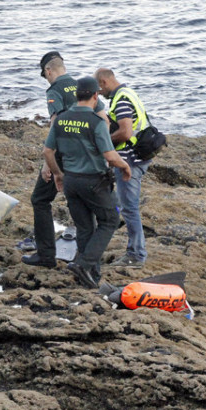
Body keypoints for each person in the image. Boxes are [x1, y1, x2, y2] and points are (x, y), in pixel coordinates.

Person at [22, 52, 109, 267]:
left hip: (63, 155)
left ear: (48, 71)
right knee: (84, 208)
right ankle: (83, 257)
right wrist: (98, 147)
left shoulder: (55, 90)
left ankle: (46, 255)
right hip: (86, 156)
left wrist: (47, 165)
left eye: (45, 75)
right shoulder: (80, 87)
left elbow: (56, 123)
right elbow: (104, 120)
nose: (47, 79)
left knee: (40, 200)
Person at [43, 77, 131, 289]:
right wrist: (124, 166)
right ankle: (83, 264)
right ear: (95, 95)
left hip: (71, 180)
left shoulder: (62, 118)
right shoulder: (96, 122)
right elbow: (110, 155)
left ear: (76, 95)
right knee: (110, 220)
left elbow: (47, 151)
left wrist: (57, 174)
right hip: (94, 181)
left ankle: (91, 275)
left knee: (84, 227)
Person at [95, 68, 152, 268]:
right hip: (139, 156)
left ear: (103, 82)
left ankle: (136, 254)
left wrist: (104, 142)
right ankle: (133, 246)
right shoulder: (128, 92)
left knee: (130, 209)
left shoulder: (121, 99)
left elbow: (126, 132)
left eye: (99, 89)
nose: (100, 93)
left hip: (131, 160)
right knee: (124, 205)